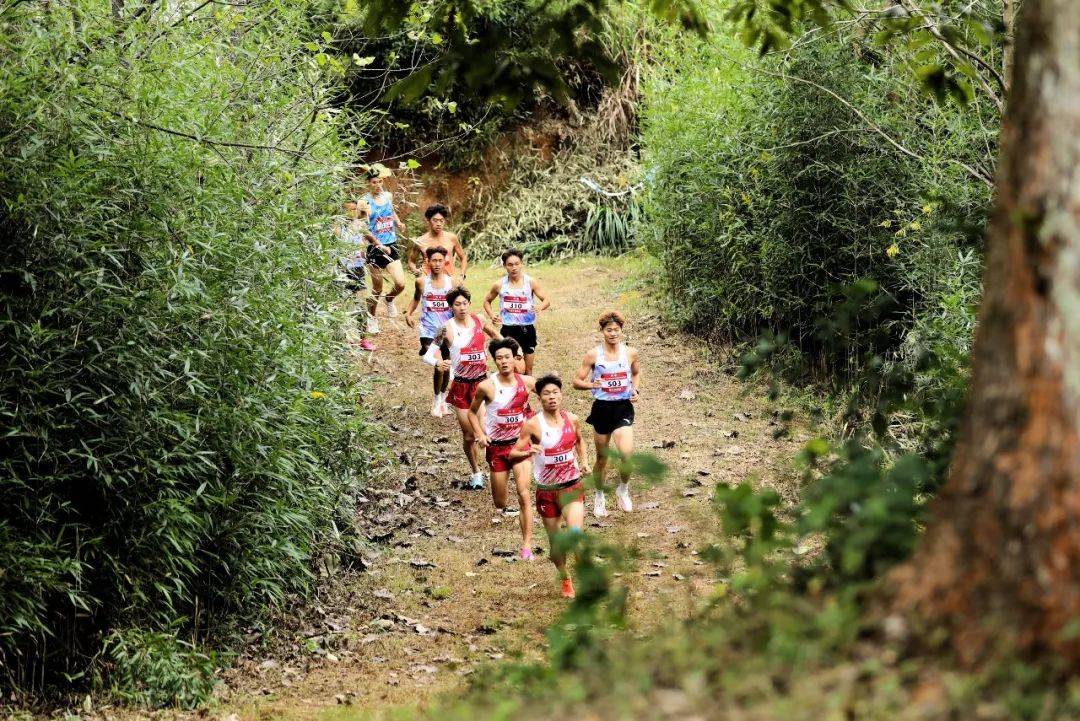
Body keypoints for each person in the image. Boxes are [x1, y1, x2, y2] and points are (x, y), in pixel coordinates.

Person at [509, 374, 589, 599]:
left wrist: (583, 461)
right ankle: (565, 578)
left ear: (561, 395)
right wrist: (528, 452)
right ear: (540, 398)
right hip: (547, 491)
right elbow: (514, 453)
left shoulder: (572, 419)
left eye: (555, 392)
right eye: (546, 393)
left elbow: (580, 441)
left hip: (572, 487)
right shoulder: (533, 424)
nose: (552, 397)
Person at [468, 338, 537, 559]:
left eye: (507, 357)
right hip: (496, 448)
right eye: (499, 358)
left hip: (520, 446)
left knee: (524, 493)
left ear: (516, 358)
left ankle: (526, 545)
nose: (504, 361)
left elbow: (548, 395)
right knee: (500, 501)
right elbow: (472, 412)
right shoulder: (486, 386)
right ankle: (503, 505)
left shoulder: (527, 382)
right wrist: (480, 434)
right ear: (494, 361)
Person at [572, 310, 641, 517]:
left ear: (622, 331)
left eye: (616, 330)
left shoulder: (630, 353)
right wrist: (591, 384)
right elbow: (576, 381)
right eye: (609, 330)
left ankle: (623, 489)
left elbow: (636, 373)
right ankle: (600, 496)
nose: (613, 333)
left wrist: (635, 389)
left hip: (622, 407)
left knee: (626, 455)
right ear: (602, 331)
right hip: (602, 408)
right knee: (602, 458)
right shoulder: (593, 354)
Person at [438, 287, 500, 489]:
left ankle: (496, 466)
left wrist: (510, 348)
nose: (462, 307)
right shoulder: (446, 328)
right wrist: (439, 362)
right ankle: (475, 472)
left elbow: (494, 334)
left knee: (484, 429)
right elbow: (433, 349)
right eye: (457, 304)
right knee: (469, 435)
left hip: (482, 383)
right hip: (461, 386)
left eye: (465, 303)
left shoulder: (479, 320)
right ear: (451, 307)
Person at [483, 248, 550, 375]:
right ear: (504, 266)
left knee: (528, 370)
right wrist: (492, 316)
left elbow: (546, 299)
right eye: (510, 264)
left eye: (517, 264)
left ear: (521, 264)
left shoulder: (530, 282)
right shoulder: (499, 284)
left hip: (527, 329)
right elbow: (487, 301)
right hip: (508, 330)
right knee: (512, 369)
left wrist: (540, 307)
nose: (514, 267)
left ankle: (525, 394)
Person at [405, 246, 455, 416]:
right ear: (427, 262)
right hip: (428, 330)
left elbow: (459, 304)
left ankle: (443, 400)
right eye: (434, 260)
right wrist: (409, 313)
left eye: (440, 260)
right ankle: (435, 401)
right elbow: (416, 298)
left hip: (446, 331)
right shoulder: (421, 282)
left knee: (446, 367)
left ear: (445, 261)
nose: (437, 264)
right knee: (439, 365)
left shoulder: (452, 283)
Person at [360, 166, 407, 326]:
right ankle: (372, 318)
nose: (378, 185)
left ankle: (389, 299)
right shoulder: (364, 201)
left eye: (380, 181)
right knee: (377, 289)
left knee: (400, 283)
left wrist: (398, 222)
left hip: (391, 244)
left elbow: (391, 211)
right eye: (374, 182)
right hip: (374, 248)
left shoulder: (388, 196)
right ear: (368, 183)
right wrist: (376, 244)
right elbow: (363, 228)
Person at [334, 200, 375, 351]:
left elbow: (370, 237)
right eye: (348, 210)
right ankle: (339, 340)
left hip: (357, 269)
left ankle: (363, 338)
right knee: (340, 306)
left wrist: (381, 246)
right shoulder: (337, 227)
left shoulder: (360, 225)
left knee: (361, 305)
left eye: (354, 209)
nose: (352, 212)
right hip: (342, 270)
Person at [408, 204, 468, 280]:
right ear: (428, 221)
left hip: (449, 281)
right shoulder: (420, 241)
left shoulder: (451, 238)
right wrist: (416, 271)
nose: (439, 224)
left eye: (441, 221)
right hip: (428, 282)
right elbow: (411, 261)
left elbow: (463, 258)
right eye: (435, 220)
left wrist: (462, 275)